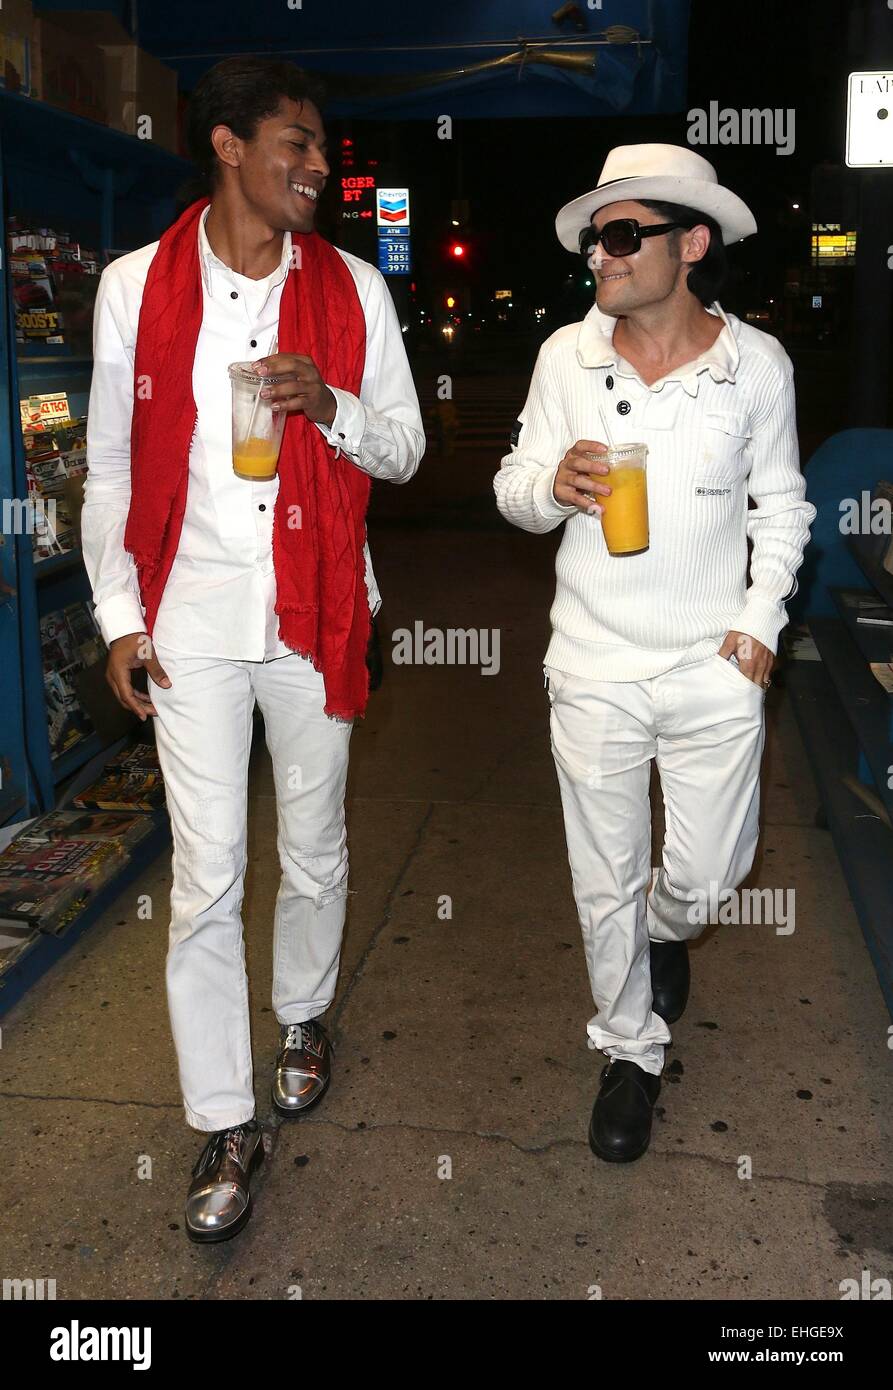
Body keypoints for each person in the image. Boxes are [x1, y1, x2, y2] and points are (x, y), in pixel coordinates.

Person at [82, 57, 424, 1240]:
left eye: (324, 150)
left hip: (316, 601)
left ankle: (302, 1013)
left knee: (316, 840)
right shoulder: (134, 287)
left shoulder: (353, 294)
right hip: (189, 615)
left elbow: (405, 451)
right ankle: (223, 1117)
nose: (320, 170)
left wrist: (328, 402)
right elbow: (114, 467)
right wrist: (118, 615)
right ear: (228, 146)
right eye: (299, 145)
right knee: (208, 874)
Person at [494, 144, 815, 1163]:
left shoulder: (754, 365)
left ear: (690, 244)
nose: (602, 253)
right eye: (597, 236)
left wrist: (759, 623)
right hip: (590, 662)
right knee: (603, 877)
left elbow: (783, 507)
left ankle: (664, 927)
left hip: (710, 663)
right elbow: (510, 489)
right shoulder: (564, 357)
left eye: (623, 234)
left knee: (708, 875)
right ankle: (628, 1048)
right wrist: (549, 484)